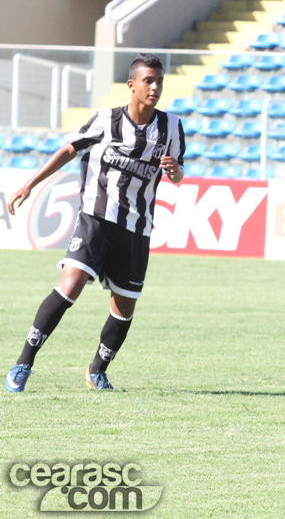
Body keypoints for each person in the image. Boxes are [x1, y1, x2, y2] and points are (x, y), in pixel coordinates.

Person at [4, 53, 185, 393]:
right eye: (148, 80)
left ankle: (97, 370)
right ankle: (23, 363)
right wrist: (29, 184)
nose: (155, 87)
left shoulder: (171, 127)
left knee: (124, 306)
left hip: (136, 228)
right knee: (69, 286)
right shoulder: (106, 120)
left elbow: (178, 172)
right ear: (131, 85)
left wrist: (175, 172)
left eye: (159, 81)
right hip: (96, 219)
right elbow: (69, 149)